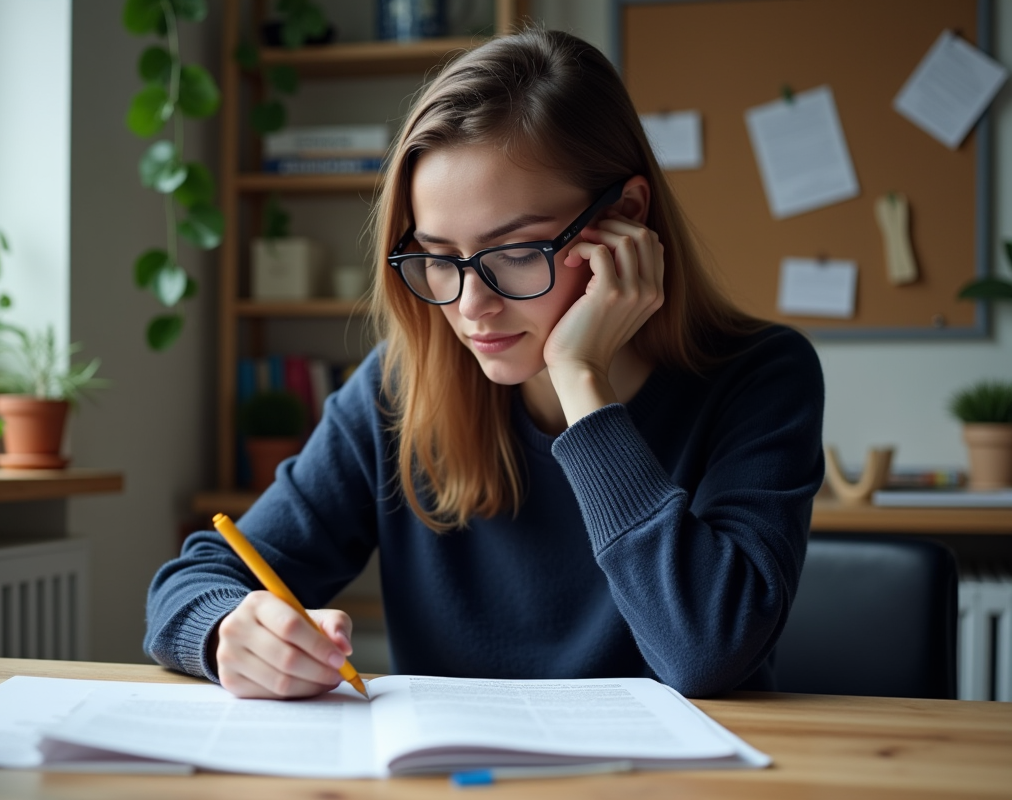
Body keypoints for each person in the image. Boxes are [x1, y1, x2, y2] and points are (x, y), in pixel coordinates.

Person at [145, 28, 825, 700]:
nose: (472, 306)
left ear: (626, 215)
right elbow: (190, 584)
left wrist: (580, 377)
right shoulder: (400, 386)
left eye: (515, 253)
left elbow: (707, 651)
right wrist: (227, 630)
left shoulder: (760, 378)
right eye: (438, 258)